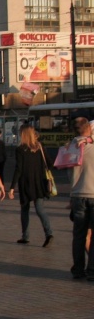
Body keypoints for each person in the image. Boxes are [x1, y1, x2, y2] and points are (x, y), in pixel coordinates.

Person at [8, 124, 53, 247]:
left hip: (26, 183)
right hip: (39, 183)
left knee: (25, 210)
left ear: (23, 135)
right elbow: (50, 163)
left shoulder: (20, 149)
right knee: (40, 209)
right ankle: (49, 233)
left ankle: (25, 236)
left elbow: (19, 169)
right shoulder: (40, 147)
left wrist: (12, 187)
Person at [68, 116, 94, 280]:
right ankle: (92, 270)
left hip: (77, 195)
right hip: (93, 193)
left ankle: (78, 269)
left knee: (79, 235)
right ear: (89, 128)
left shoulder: (70, 147)